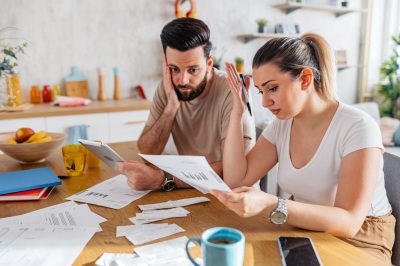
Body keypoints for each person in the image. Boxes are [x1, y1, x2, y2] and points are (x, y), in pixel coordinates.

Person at [210, 33, 396, 263]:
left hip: (361, 238)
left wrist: (271, 204)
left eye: (273, 88)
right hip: (305, 229)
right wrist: (237, 112)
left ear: (305, 79)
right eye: (260, 91)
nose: (264, 102)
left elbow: (349, 222)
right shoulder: (282, 125)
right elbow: (237, 181)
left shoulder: (358, 126)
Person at [116, 17, 255, 192]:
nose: (182, 80)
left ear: (209, 64)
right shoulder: (168, 87)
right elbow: (148, 152)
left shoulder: (231, 91)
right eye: (174, 69)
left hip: (234, 195)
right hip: (191, 191)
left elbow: (230, 170)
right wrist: (171, 107)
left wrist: (163, 180)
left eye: (193, 70)